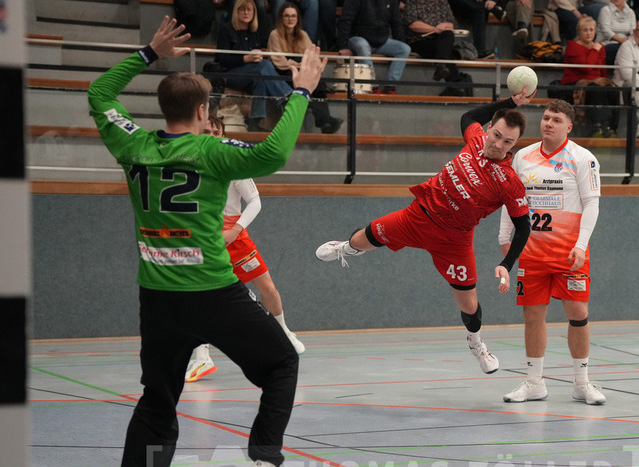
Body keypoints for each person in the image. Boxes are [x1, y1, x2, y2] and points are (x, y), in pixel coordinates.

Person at [87, 15, 326, 467]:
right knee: (282, 363)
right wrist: (301, 92)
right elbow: (274, 153)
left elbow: (98, 93)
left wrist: (149, 53)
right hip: (215, 294)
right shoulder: (213, 152)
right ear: (202, 112)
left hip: (158, 301)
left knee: (158, 401)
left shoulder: (133, 146)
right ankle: (265, 460)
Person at [316, 91, 535, 374]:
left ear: (514, 145)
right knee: (363, 237)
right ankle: (346, 249)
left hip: (454, 241)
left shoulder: (509, 181)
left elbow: (523, 226)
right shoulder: (475, 138)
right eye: (497, 135)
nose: (498, 144)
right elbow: (468, 116)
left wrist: (507, 263)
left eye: (508, 142)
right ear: (490, 128)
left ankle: (476, 343)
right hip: (417, 217)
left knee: (469, 303)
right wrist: (510, 103)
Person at [499, 99, 606, 406]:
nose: (548, 123)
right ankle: (534, 383)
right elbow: (512, 200)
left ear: (568, 127)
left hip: (569, 253)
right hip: (532, 253)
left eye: (556, 120)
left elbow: (592, 204)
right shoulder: (523, 157)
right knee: (533, 316)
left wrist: (581, 245)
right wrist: (504, 237)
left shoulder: (583, 159)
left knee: (578, 314)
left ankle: (581, 384)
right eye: (546, 117)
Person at [185, 114, 306, 383]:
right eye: (205, 132)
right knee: (196, 297)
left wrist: (234, 230)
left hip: (235, 237)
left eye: (215, 133)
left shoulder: (232, 164)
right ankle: (201, 356)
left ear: (222, 135)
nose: (210, 137)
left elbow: (255, 202)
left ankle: (284, 332)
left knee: (267, 287)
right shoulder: (188, 165)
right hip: (205, 238)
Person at [216, 0, 293, 131]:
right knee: (264, 66)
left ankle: (256, 122)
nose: (246, 13)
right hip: (231, 74)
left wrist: (258, 56)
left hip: (252, 74)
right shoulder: (227, 29)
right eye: (242, 9)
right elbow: (221, 59)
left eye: (249, 10)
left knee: (261, 79)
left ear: (254, 13)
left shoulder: (254, 31)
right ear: (236, 12)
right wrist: (245, 58)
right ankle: (286, 97)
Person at [267, 2, 343, 134]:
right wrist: (300, 65)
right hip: (283, 73)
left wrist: (311, 67)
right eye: (286, 16)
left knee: (317, 82)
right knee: (311, 84)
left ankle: (325, 121)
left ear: (298, 19)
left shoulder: (303, 35)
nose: (290, 19)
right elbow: (279, 61)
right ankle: (324, 121)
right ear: (281, 18)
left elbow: (313, 57)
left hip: (301, 71)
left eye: (293, 16)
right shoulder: (275, 35)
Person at [561, 16, 620, 137]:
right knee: (595, 88)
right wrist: (594, 50)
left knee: (612, 89)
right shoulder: (573, 46)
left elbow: (601, 70)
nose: (588, 33)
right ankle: (597, 127)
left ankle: (611, 128)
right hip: (575, 82)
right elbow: (587, 67)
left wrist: (607, 82)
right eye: (585, 30)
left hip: (596, 82)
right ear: (579, 32)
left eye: (591, 30)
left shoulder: (599, 47)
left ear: (595, 31)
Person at [336, 0, 411, 94]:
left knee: (404, 49)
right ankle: (372, 85)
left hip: (381, 41)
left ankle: (390, 86)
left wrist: (399, 41)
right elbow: (345, 21)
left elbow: (397, 24)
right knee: (363, 45)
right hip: (357, 38)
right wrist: (343, 46)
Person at [402, 0, 471, 95]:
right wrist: (434, 29)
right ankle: (454, 83)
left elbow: (451, 23)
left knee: (448, 34)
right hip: (419, 40)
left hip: (440, 40)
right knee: (445, 50)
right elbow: (413, 25)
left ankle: (442, 66)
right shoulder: (413, 2)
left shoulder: (442, 1)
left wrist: (445, 26)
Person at [613, 20, 639, 134]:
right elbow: (627, 74)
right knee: (636, 84)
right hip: (624, 86)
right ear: (635, 32)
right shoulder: (626, 46)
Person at [596, 0, 637, 65]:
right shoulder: (605, 10)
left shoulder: (631, 12)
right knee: (626, 50)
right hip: (606, 44)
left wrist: (630, 41)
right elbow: (606, 31)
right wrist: (622, 41)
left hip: (624, 44)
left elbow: (633, 31)